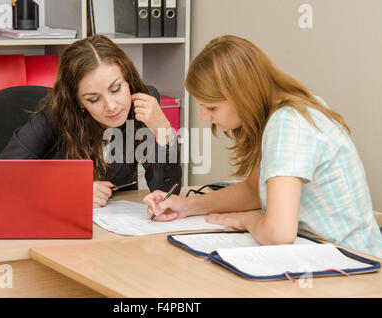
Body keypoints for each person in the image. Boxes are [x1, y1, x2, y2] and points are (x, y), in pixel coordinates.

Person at [143, 35, 382, 258]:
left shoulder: (288, 124)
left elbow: (278, 234)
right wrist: (187, 206)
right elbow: (254, 190)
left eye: (212, 108)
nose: (204, 117)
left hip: (352, 262)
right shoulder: (288, 113)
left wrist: (247, 220)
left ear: (241, 95)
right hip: (328, 254)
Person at [0, 35, 182, 208]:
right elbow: (4, 176)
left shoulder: (144, 105)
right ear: (78, 102)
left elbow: (165, 194)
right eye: (94, 99)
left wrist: (163, 131)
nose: (111, 106)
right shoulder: (54, 113)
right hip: (59, 221)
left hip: (115, 225)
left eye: (116, 89)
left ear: (129, 81)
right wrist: (72, 189)